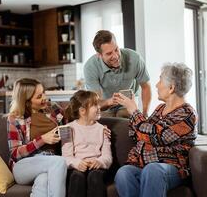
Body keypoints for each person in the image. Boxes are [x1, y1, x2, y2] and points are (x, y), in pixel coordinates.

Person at [114, 63, 198, 197]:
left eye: (160, 80)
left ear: (171, 88)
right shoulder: (160, 108)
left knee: (153, 170)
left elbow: (157, 137)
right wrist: (131, 113)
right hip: (144, 165)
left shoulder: (186, 114)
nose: (156, 85)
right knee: (124, 173)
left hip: (172, 168)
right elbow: (137, 135)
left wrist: (135, 112)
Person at [7, 78, 67, 197]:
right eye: (39, 96)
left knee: (43, 181)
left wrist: (95, 127)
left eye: (43, 92)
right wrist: (42, 140)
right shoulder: (15, 118)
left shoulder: (53, 108)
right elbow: (15, 153)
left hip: (49, 162)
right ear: (26, 101)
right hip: (24, 166)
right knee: (60, 161)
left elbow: (70, 122)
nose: (44, 98)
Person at [83, 30, 152, 118]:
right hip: (105, 106)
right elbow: (95, 103)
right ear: (99, 55)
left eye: (116, 49)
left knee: (125, 120)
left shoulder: (135, 58)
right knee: (103, 125)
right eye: (109, 53)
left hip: (128, 105)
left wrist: (145, 113)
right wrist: (109, 102)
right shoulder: (90, 67)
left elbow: (146, 87)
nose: (115, 56)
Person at [62, 90, 112, 197]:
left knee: (95, 176)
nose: (99, 107)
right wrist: (77, 163)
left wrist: (100, 162)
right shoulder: (67, 129)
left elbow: (107, 157)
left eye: (98, 104)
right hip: (76, 167)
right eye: (94, 105)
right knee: (77, 177)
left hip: (97, 169)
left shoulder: (103, 130)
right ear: (82, 111)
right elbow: (66, 157)